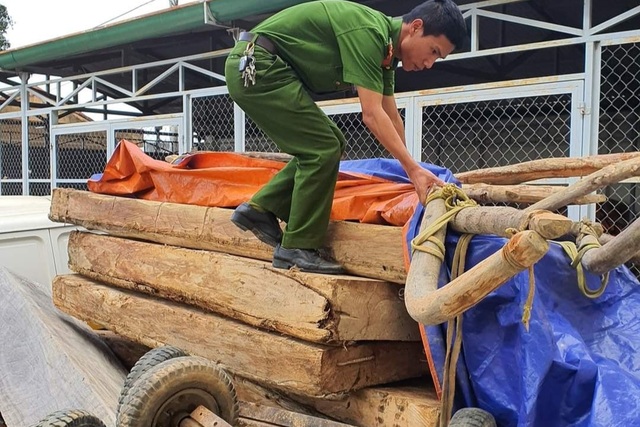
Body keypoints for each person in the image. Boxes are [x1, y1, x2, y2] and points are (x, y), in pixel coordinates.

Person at [225, 0, 466, 274]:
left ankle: (261, 209)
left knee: (332, 143)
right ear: (416, 27)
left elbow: (390, 114)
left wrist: (411, 171)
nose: (429, 63)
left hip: (267, 67)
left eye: (438, 58)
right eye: (433, 51)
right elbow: (372, 115)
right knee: (323, 148)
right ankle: (296, 247)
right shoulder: (370, 33)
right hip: (257, 66)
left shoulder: (387, 53)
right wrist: (413, 171)